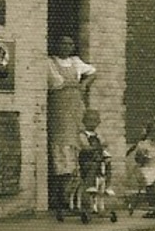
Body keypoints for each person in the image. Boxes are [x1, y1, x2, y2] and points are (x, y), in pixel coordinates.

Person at [46, 35, 96, 218]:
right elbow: (56, 83)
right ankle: (61, 197)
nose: (66, 47)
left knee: (79, 142)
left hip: (76, 108)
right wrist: (72, 83)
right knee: (62, 149)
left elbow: (92, 72)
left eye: (69, 44)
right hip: (59, 111)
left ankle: (77, 197)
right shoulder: (49, 62)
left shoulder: (75, 61)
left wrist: (83, 84)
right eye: (63, 43)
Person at [75, 109, 112, 219]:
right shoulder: (82, 135)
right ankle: (90, 185)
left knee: (108, 162)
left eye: (95, 120)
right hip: (86, 161)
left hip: (97, 159)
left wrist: (103, 146)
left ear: (98, 122)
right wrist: (96, 148)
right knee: (94, 164)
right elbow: (85, 147)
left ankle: (108, 186)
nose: (92, 123)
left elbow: (104, 144)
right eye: (89, 120)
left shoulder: (98, 135)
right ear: (84, 121)